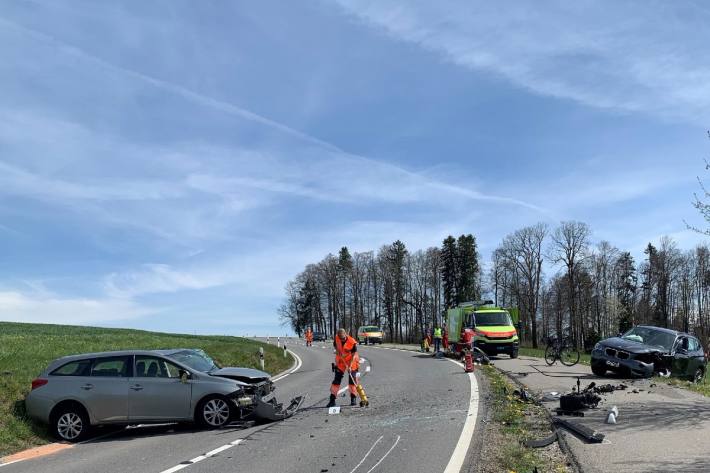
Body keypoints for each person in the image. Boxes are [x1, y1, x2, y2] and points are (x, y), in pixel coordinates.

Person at [327, 328, 360, 407]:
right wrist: (337, 350)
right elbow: (335, 345)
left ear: (346, 335)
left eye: (343, 338)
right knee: (336, 380)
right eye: (340, 338)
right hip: (341, 361)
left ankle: (353, 398)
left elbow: (353, 355)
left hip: (352, 361)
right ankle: (332, 400)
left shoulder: (352, 342)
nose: (342, 340)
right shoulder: (337, 338)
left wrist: (350, 366)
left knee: (352, 380)